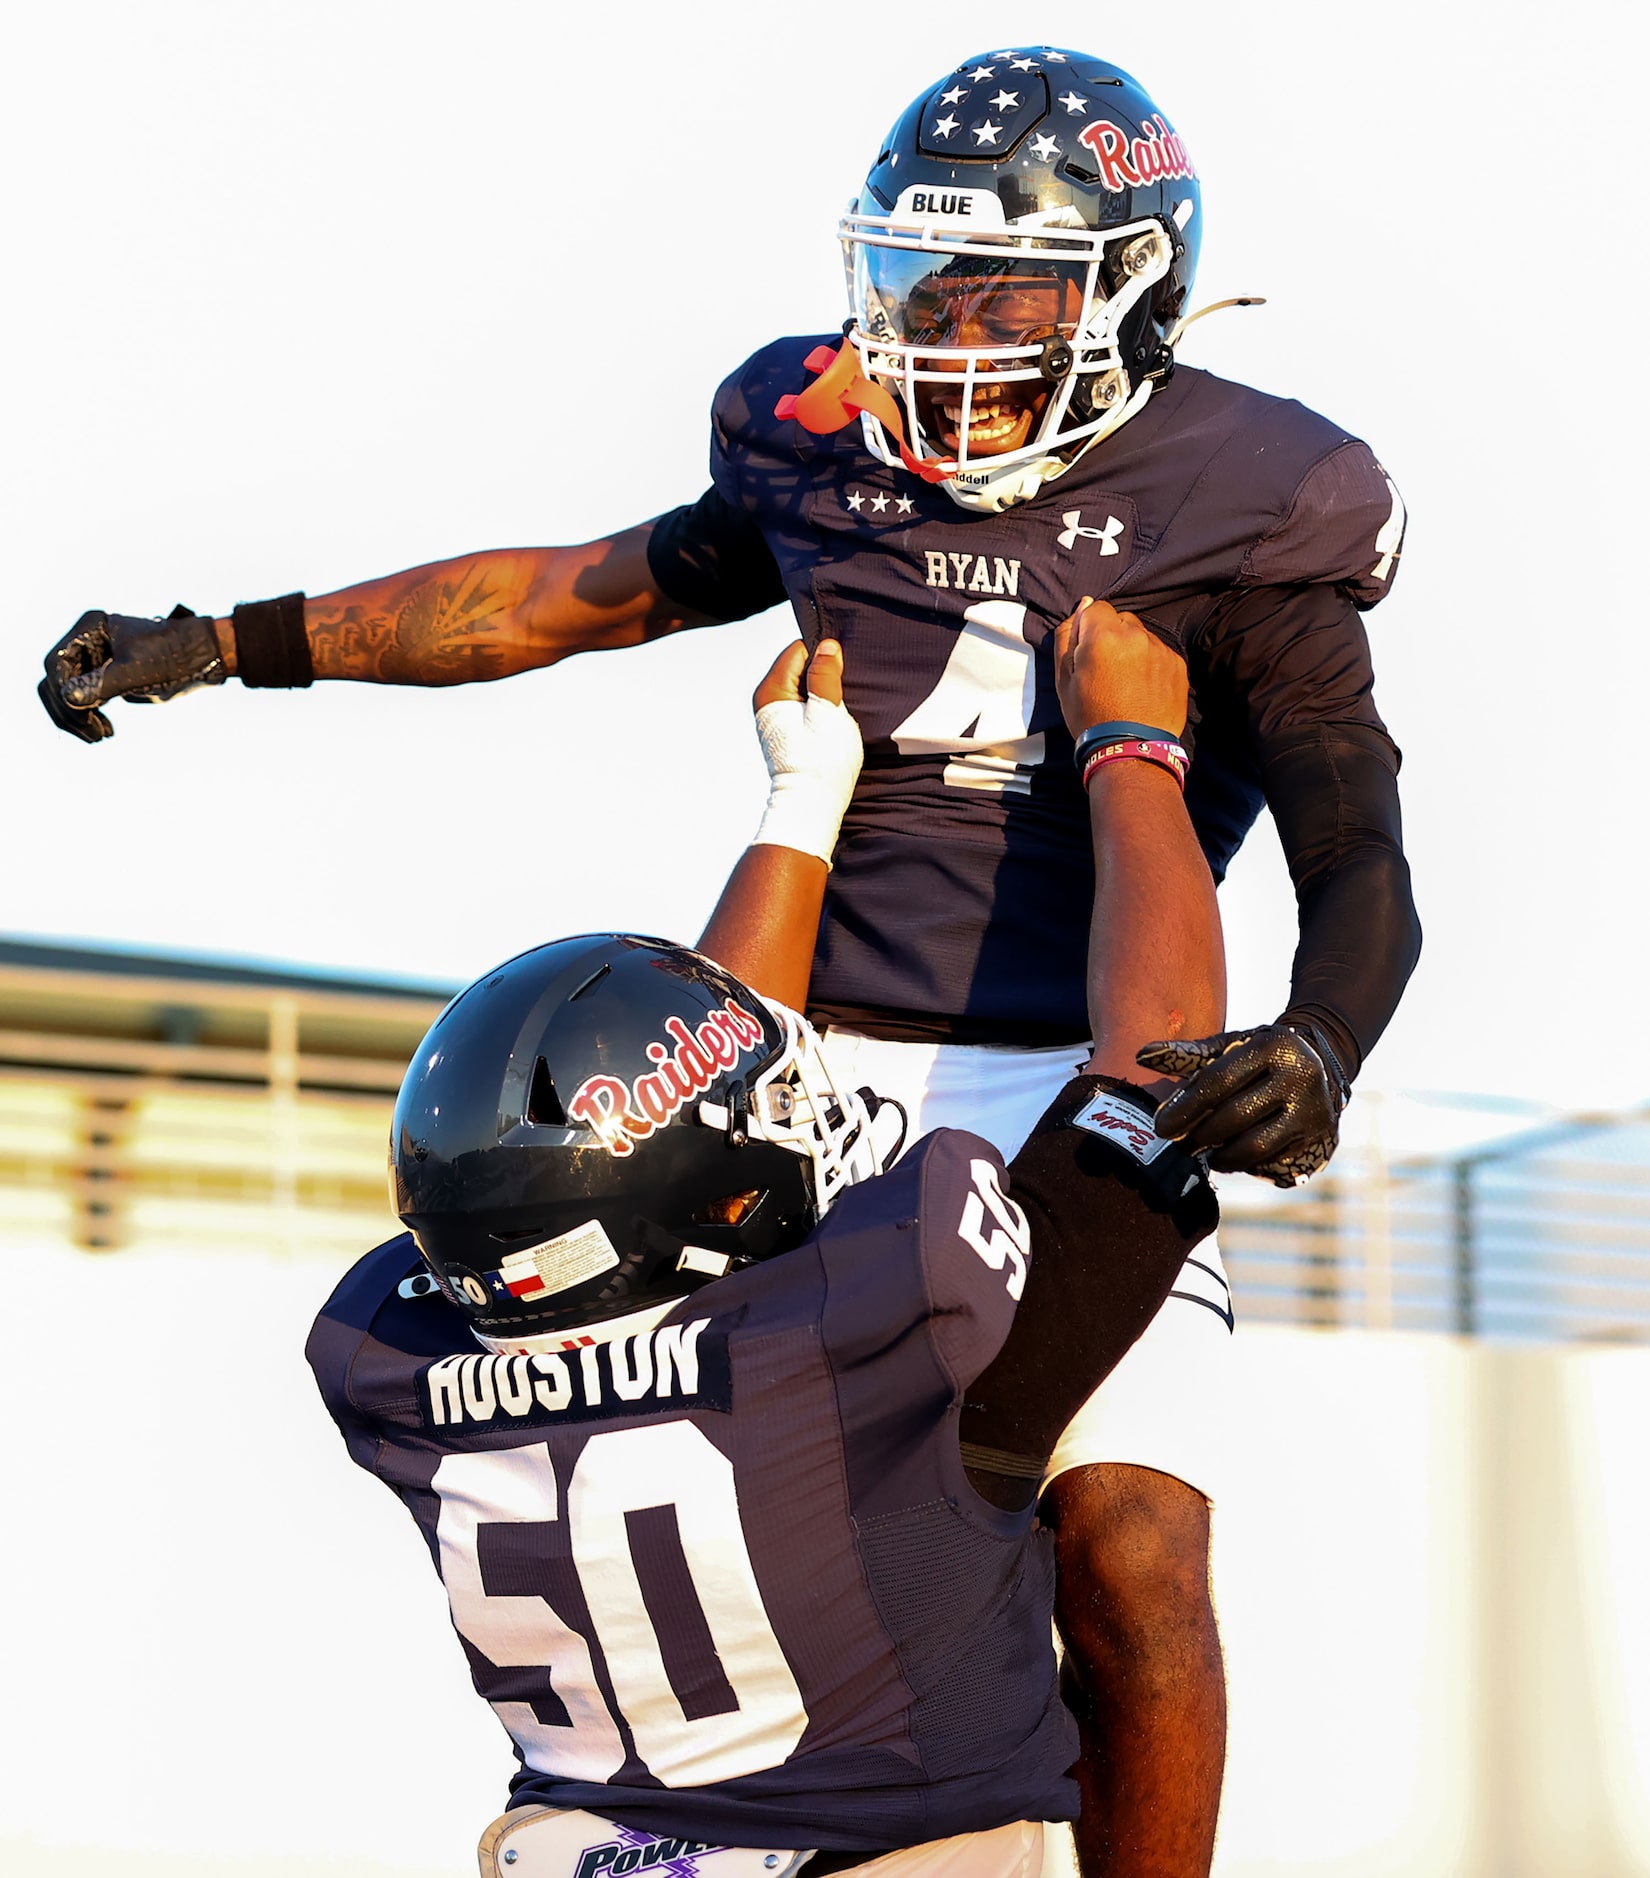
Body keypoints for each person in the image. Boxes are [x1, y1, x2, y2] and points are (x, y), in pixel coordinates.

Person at [42, 46, 1420, 1874]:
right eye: (920, 277)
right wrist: (230, 638)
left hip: (1085, 1057)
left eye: (1000, 287)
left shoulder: (1259, 492)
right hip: (796, 1061)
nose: (944, 328)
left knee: (1131, 1550)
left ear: (1132, 289)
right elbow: (554, 599)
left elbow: (1353, 837)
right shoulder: (815, 436)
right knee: (682, 1485)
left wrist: (1321, 1039)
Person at [308, 603, 1225, 1875]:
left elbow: (665, 1172)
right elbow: (1154, 1063)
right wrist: (1131, 746)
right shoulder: (873, 1364)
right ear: (705, 1206)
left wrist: (803, 803)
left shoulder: (402, 1367)